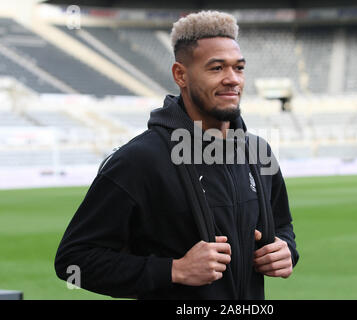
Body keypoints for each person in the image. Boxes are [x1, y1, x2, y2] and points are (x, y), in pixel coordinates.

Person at [55, 10, 299, 300]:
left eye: (239, 68)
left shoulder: (259, 152)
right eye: (217, 68)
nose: (232, 79)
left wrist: (285, 249)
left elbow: (282, 224)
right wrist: (173, 270)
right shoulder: (139, 161)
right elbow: (74, 259)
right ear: (180, 75)